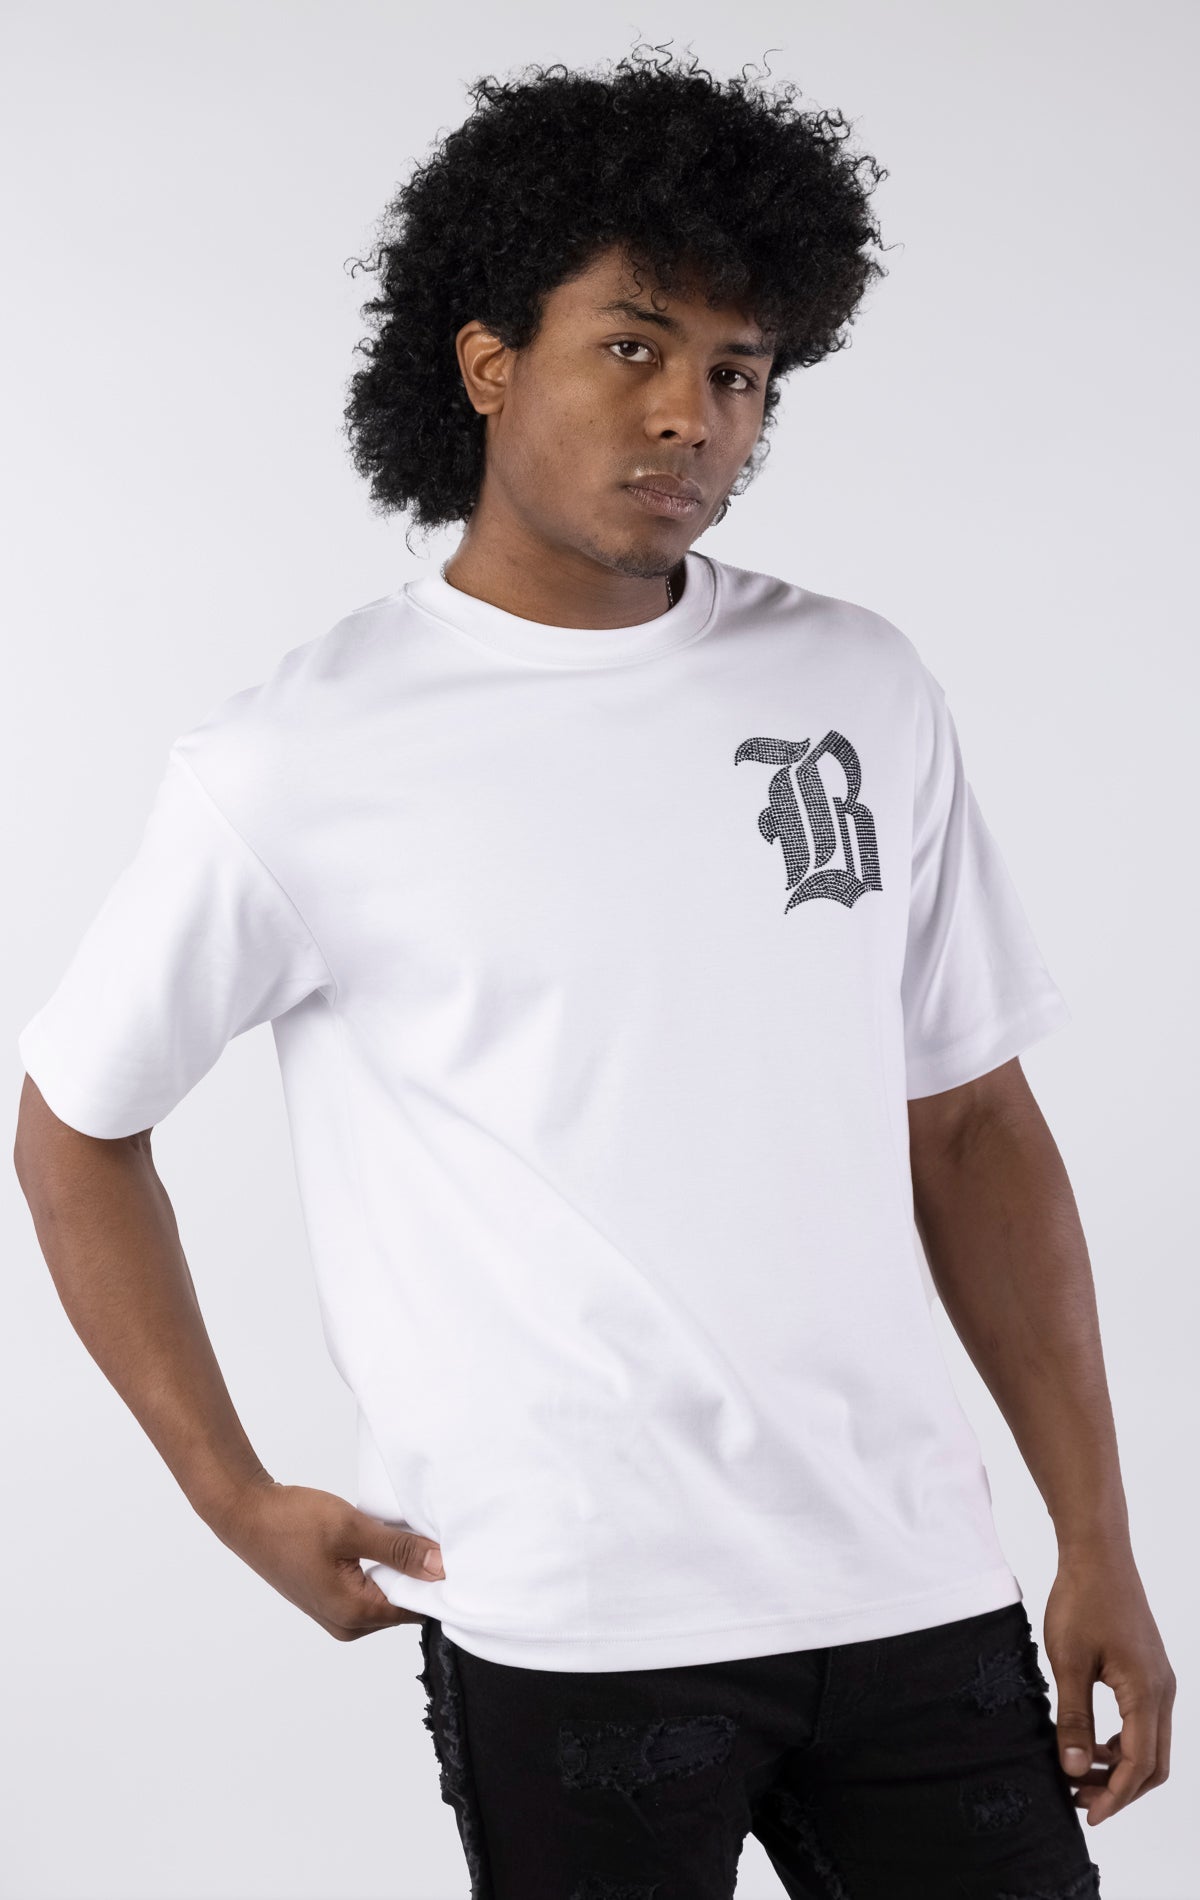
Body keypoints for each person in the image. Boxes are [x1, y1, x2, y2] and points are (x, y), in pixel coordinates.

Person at [13, 42, 1172, 1900]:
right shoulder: (298, 760)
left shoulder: (860, 685)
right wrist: (228, 1491)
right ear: (488, 364)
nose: (690, 417)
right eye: (632, 347)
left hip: (911, 1583)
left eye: (737, 371)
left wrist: (1094, 1534)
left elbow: (969, 1125)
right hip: (571, 1616)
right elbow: (75, 1128)